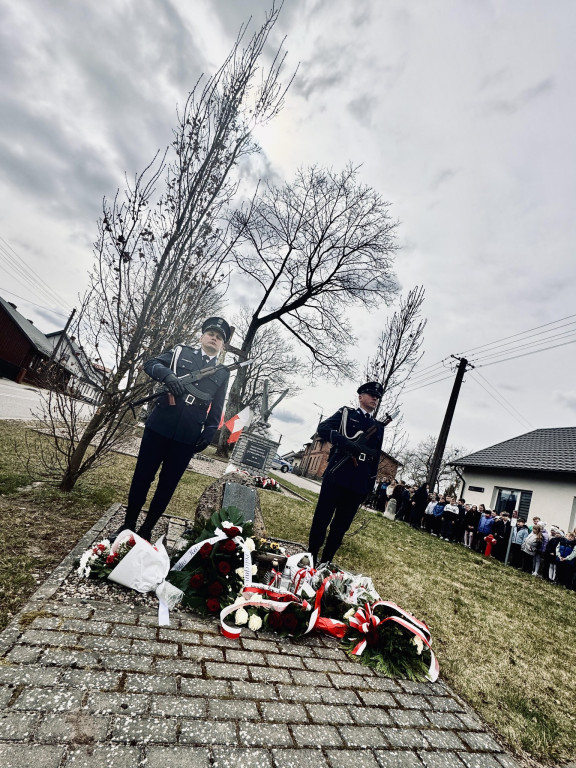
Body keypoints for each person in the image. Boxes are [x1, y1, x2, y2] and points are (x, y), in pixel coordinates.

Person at [116, 317, 231, 541]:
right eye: (210, 333)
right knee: (142, 476)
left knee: (167, 485)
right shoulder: (181, 352)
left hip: (188, 435)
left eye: (219, 337)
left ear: (222, 345)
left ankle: (147, 529)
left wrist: (209, 432)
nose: (214, 338)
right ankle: (128, 524)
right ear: (202, 337)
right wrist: (168, 375)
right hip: (160, 424)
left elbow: (217, 406)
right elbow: (151, 364)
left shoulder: (222, 372)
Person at [307, 381, 385, 565]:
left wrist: (369, 485)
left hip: (358, 481)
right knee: (322, 518)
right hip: (337, 474)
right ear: (360, 396)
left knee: (341, 526)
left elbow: (376, 456)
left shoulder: (378, 426)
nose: (375, 398)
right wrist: (345, 442)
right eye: (371, 394)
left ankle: (326, 561)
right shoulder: (346, 414)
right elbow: (323, 428)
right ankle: (311, 557)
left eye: (377, 396)